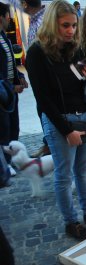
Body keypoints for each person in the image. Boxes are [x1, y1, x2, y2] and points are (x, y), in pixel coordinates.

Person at [26, 0, 86, 240]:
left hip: (83, 115)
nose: (70, 30)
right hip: (59, 120)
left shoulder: (77, 48)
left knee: (83, 171)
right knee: (64, 176)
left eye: (74, 25)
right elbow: (43, 99)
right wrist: (66, 130)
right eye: (65, 25)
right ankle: (71, 221)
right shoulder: (36, 52)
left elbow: (83, 85)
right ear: (53, 23)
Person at [0, 2, 28, 178]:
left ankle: (12, 161)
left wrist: (20, 77)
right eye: (8, 15)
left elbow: (10, 64)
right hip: (3, 93)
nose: (10, 18)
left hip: (10, 93)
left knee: (13, 127)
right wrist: (11, 85)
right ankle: (5, 165)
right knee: (4, 129)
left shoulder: (4, 36)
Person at [22, 0, 50, 159]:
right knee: (42, 109)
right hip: (39, 75)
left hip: (45, 76)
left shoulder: (42, 21)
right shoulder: (35, 21)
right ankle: (48, 142)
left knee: (46, 109)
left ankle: (50, 143)